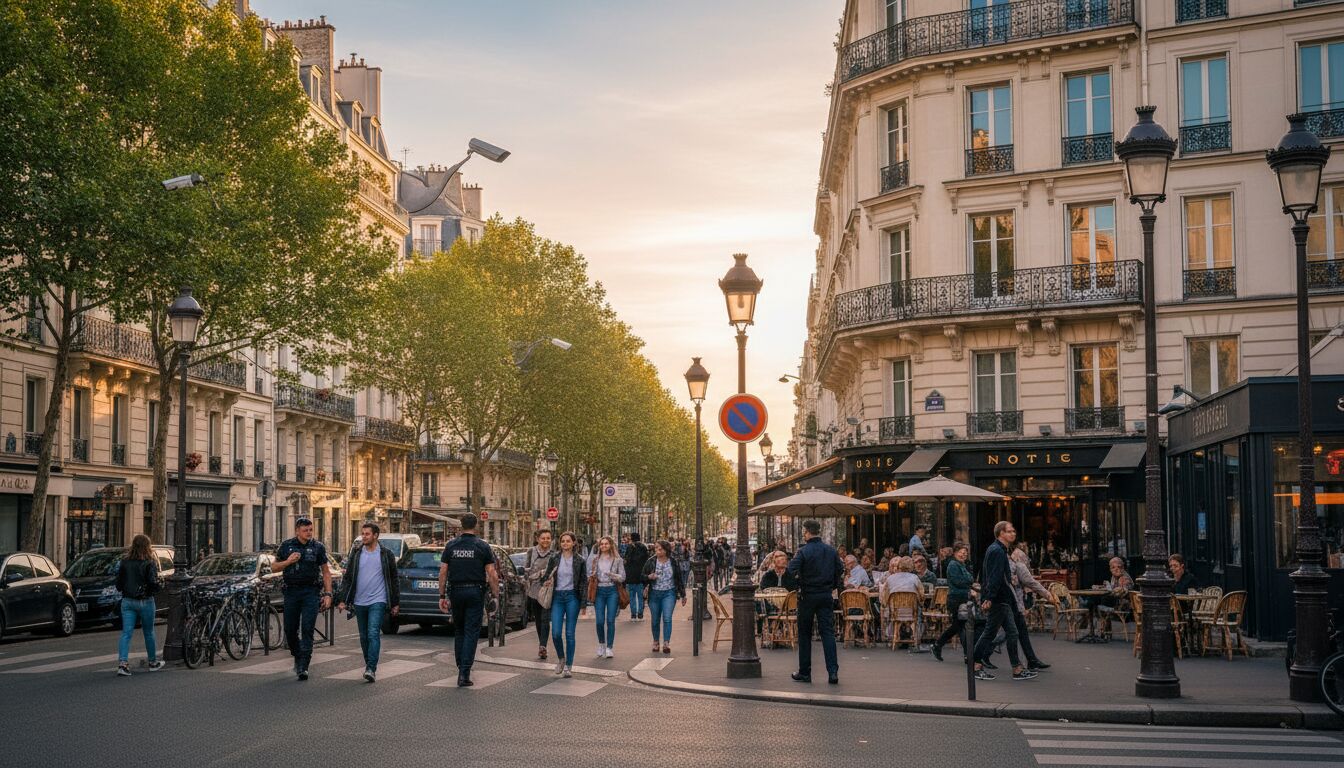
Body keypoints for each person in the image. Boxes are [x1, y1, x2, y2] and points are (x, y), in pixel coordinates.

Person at [437, 513, 499, 687]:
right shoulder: (482, 546)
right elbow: (492, 573)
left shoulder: (451, 546)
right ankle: (465, 671)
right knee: (472, 631)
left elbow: (443, 572)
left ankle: (460, 665)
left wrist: (442, 595)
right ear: (476, 525)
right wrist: (495, 595)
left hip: (456, 591)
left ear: (460, 525)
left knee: (459, 630)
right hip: (475, 591)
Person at [336, 522, 400, 682]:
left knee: (372, 633)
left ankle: (371, 668)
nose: (363, 536)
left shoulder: (386, 554)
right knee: (364, 637)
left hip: (378, 600)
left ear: (375, 536)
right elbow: (348, 577)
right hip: (359, 601)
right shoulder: (357, 553)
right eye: (363, 533)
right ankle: (368, 665)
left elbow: (393, 579)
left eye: (367, 534)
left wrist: (395, 602)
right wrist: (343, 599)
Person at [971, 521, 1035, 681]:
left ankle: (1017, 669)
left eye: (1013, 531)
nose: (1013, 534)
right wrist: (989, 598)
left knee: (1012, 632)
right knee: (989, 633)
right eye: (1009, 531)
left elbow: (994, 575)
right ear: (1001, 533)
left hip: (1002, 598)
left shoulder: (998, 549)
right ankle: (975, 665)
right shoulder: (997, 551)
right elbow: (994, 576)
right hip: (998, 599)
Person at [273, 516, 334, 681]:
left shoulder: (318, 547)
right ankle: (297, 655)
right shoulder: (287, 546)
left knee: (307, 628)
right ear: (297, 531)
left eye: (310, 530)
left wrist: (328, 594)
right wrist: (288, 561)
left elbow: (326, 571)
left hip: (311, 592)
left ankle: (304, 666)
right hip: (291, 592)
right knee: (290, 630)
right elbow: (273, 567)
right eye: (305, 530)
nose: (309, 533)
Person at [787, 519, 843, 685]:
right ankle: (832, 672)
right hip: (825, 595)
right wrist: (831, 584)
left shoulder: (803, 551)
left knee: (804, 634)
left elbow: (791, 570)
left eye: (804, 532)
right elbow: (839, 570)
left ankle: (805, 672)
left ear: (807, 532)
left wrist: (799, 583)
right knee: (828, 633)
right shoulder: (831, 551)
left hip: (807, 595)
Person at [115, 534, 163, 676]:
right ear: (147, 546)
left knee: (126, 633)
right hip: (145, 601)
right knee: (148, 632)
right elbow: (153, 583)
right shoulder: (149, 562)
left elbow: (118, 584)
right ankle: (153, 662)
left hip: (128, 601)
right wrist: (159, 586)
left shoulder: (124, 562)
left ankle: (123, 664)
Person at [543, 531, 588, 677]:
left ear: (574, 543)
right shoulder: (554, 558)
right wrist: (547, 580)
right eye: (563, 541)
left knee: (569, 633)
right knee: (555, 633)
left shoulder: (580, 560)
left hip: (572, 597)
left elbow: (583, 583)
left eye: (568, 541)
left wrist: (583, 604)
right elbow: (546, 576)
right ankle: (561, 658)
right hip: (557, 597)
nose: (565, 544)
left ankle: (569, 665)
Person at [1009, 547, 1055, 672]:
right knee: (1003, 633)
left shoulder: (1010, 564)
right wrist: (1047, 594)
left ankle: (1032, 660)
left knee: (1020, 631)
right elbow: (1031, 582)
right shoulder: (1019, 566)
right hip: (1013, 604)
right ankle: (979, 656)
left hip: (1013, 603)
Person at [932, 543, 974, 662]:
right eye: (961, 552)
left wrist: (968, 581)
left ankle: (938, 645)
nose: (964, 554)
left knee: (959, 626)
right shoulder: (953, 565)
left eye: (965, 552)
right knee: (960, 626)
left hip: (962, 598)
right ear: (955, 552)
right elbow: (958, 581)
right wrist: (968, 583)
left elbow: (970, 579)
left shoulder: (962, 565)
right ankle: (967, 654)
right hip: (956, 599)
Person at [643, 539, 685, 653]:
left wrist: (683, 595)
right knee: (655, 620)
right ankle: (656, 642)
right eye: (656, 548)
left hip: (669, 593)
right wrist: (649, 577)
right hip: (654, 594)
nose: (657, 551)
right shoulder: (651, 561)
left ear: (666, 550)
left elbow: (679, 578)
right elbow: (642, 576)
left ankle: (666, 643)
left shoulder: (673, 561)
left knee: (667, 618)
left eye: (660, 549)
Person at [588, 535, 626, 659]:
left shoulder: (617, 560)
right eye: (601, 544)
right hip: (599, 590)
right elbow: (589, 574)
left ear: (610, 545)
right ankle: (601, 644)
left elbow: (623, 577)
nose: (603, 546)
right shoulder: (595, 559)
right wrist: (592, 575)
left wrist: (612, 575)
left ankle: (610, 647)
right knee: (599, 621)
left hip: (612, 590)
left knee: (610, 620)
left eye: (606, 544)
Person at [525, 529, 557, 659]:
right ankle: (541, 643)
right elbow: (526, 571)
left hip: (547, 590)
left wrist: (551, 578)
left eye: (548, 538)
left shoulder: (554, 554)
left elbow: (556, 571)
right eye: (543, 538)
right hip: (533, 590)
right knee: (538, 619)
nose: (546, 540)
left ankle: (543, 646)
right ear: (538, 539)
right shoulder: (531, 551)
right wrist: (538, 574)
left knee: (545, 619)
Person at [624, 531, 650, 621]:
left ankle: (633, 615)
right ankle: (640, 614)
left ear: (632, 538)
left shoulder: (629, 547)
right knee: (640, 596)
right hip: (641, 575)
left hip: (631, 575)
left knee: (631, 596)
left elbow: (627, 560)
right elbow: (647, 560)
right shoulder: (644, 547)